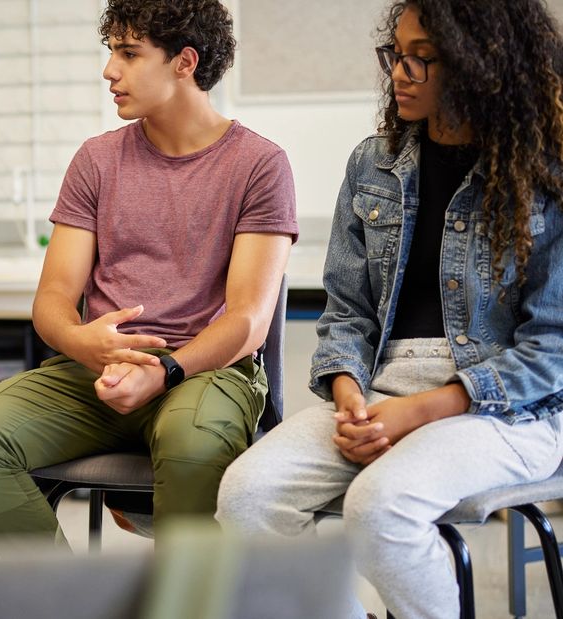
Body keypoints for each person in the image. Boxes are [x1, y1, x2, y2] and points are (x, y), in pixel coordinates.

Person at [215, 1, 563, 617]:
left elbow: (552, 351)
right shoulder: (371, 165)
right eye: (395, 54)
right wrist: (350, 395)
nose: (400, 72)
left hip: (512, 410)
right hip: (380, 391)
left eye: (423, 59)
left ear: (481, 67)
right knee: (247, 497)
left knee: (379, 506)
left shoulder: (545, 174)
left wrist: (420, 412)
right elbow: (347, 313)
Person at [0, 0, 298, 549]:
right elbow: (53, 298)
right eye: (112, 52)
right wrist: (83, 342)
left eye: (129, 54)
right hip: (99, 370)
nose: (110, 70)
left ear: (185, 62)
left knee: (191, 447)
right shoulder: (96, 160)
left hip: (206, 370)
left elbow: (248, 321)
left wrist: (167, 371)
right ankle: (68, 601)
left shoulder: (258, 165)